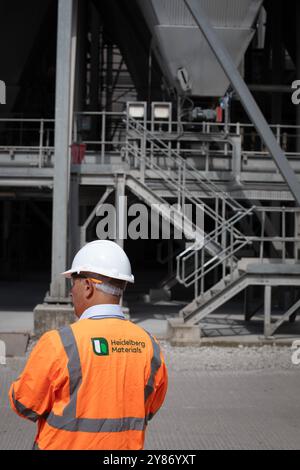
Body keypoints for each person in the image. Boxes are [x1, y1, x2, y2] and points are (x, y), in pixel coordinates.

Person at [9, 240, 168, 450]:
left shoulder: (60, 344)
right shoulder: (150, 346)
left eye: (72, 283)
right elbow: (149, 408)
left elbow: (24, 403)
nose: (70, 292)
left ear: (88, 286)